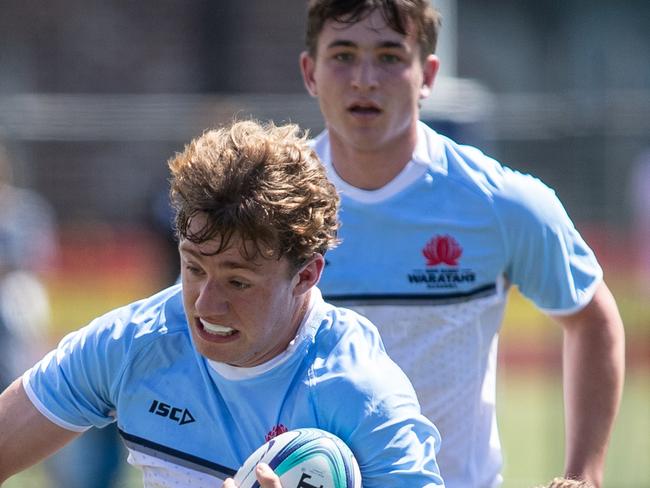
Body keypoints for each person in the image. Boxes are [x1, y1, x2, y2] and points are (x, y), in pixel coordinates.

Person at [0, 120, 444, 488]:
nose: (206, 306)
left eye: (238, 281)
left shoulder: (361, 395)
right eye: (194, 269)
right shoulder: (133, 343)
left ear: (306, 275)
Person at [298, 1, 625, 487]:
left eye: (390, 56)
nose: (364, 78)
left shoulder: (500, 203)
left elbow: (591, 317)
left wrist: (586, 474)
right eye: (343, 55)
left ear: (427, 75)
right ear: (310, 72)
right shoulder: (271, 205)